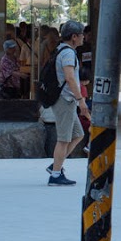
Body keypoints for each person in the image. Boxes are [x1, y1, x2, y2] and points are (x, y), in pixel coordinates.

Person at [46, 21, 87, 186]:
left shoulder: (60, 50)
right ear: (74, 37)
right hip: (65, 99)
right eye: (82, 35)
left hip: (65, 99)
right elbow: (70, 78)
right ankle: (55, 175)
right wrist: (81, 100)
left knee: (78, 134)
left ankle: (56, 164)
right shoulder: (69, 54)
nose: (84, 37)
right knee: (63, 138)